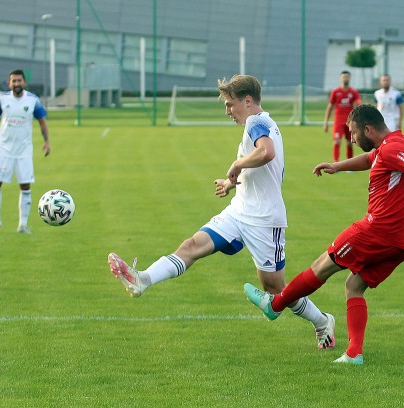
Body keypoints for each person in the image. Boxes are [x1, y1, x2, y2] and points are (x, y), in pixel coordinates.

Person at [108, 74, 336, 350]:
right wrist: (231, 183)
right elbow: (259, 166)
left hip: (265, 220)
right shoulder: (258, 123)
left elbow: (267, 153)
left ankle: (322, 321)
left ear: (248, 101)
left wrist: (237, 164)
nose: (227, 111)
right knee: (191, 246)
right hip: (239, 212)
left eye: (230, 104)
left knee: (275, 288)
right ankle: (142, 279)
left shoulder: (257, 122)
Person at [244, 104, 404, 365]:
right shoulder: (394, 143)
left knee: (322, 265)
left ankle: (275, 305)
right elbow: (371, 159)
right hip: (403, 243)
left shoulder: (392, 149)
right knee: (354, 286)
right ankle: (354, 353)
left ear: (368, 129)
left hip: (377, 231)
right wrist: (337, 166)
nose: (352, 139)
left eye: (354, 133)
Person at [0, 69, 50, 235]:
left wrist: (47, 142)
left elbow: (42, 122)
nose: (17, 83)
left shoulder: (33, 100)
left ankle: (23, 225)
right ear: (9, 83)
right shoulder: (2, 99)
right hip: (4, 150)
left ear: (24, 82)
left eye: (19, 80)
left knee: (25, 185)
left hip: (24, 151)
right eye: (14, 81)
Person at [323, 70, 362, 162]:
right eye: (344, 77)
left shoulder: (353, 91)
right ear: (340, 78)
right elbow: (330, 106)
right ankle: (335, 162)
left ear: (350, 78)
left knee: (350, 142)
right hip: (338, 120)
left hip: (350, 120)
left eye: (347, 77)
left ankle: (350, 163)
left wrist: (359, 104)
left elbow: (358, 102)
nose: (345, 78)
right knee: (337, 141)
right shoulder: (335, 91)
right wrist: (326, 122)